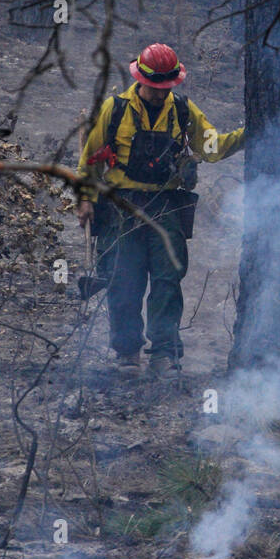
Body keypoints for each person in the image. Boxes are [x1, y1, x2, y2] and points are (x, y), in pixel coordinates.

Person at [76, 43, 243, 374]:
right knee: (123, 281)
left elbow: (211, 148)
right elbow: (90, 160)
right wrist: (84, 200)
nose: (158, 93)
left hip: (166, 206)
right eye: (153, 87)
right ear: (140, 79)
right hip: (121, 207)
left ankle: (164, 353)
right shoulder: (116, 109)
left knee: (167, 281)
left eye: (165, 88)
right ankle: (127, 353)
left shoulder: (182, 111)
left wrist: (247, 135)